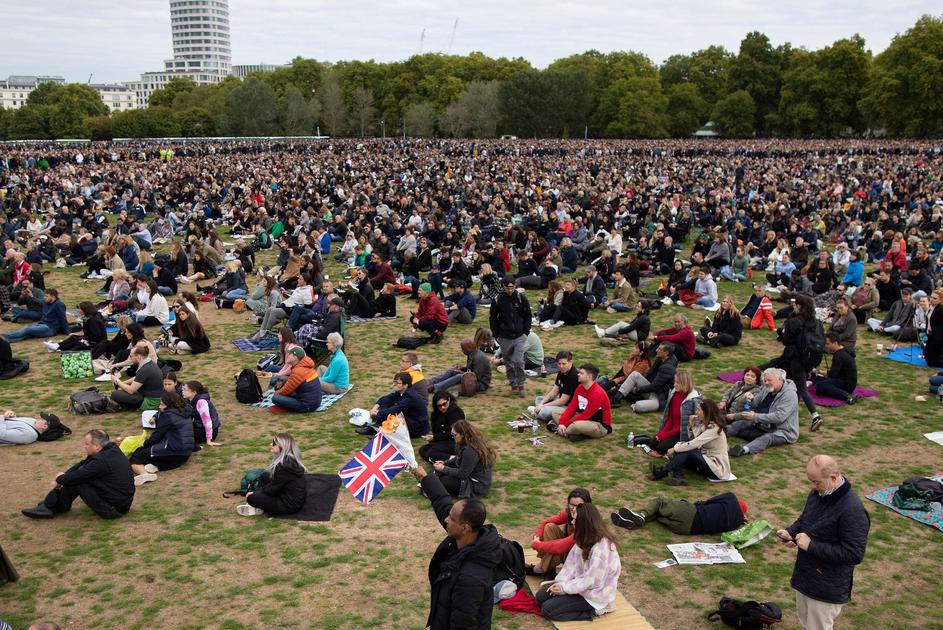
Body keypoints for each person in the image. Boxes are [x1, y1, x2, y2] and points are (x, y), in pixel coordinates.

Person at [777, 455, 870, 630]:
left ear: (833, 477)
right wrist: (791, 532)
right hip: (806, 575)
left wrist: (811, 545)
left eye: (816, 482)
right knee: (806, 621)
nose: (812, 487)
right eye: (811, 481)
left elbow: (853, 554)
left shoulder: (853, 510)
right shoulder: (818, 493)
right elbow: (805, 519)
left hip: (827, 586)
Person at [412, 466, 500, 630]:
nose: (446, 519)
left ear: (465, 527)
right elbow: (442, 502)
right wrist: (426, 478)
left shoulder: (470, 579)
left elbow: (463, 623)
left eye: (451, 518)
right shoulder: (465, 537)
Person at [21, 429, 134, 520]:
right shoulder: (110, 449)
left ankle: (54, 507)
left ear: (96, 446)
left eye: (87, 444)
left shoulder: (100, 461)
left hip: (114, 509)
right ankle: (52, 504)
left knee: (78, 482)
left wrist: (59, 479)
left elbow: (76, 477)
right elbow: (82, 464)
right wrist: (63, 476)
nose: (84, 446)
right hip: (120, 502)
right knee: (76, 477)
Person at [535, 503, 621, 621]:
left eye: (575, 519)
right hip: (579, 586)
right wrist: (560, 584)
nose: (572, 522)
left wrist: (564, 589)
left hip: (595, 594)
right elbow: (570, 566)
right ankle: (566, 597)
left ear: (583, 523)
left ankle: (598, 609)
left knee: (548, 610)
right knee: (540, 597)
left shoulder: (601, 549)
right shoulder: (583, 538)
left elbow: (591, 582)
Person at [651, 399, 730, 485]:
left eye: (699, 410)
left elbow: (694, 444)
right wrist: (691, 426)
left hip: (717, 469)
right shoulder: (705, 424)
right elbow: (692, 441)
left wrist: (674, 449)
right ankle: (678, 476)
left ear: (706, 412)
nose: (696, 412)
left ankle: (663, 471)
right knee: (683, 448)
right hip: (706, 459)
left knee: (686, 449)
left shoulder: (714, 428)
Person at [726, 368, 800, 456]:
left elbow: (779, 417)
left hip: (781, 430)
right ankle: (719, 434)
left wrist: (755, 416)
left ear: (780, 379)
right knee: (740, 424)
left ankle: (743, 450)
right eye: (765, 380)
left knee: (767, 438)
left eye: (769, 380)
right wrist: (749, 399)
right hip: (762, 424)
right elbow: (755, 404)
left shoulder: (789, 395)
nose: (767, 383)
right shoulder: (767, 388)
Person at [128, 392, 195, 486]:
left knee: (136, 456)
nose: (159, 407)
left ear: (169, 405)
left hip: (174, 451)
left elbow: (156, 436)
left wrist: (144, 444)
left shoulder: (168, 416)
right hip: (185, 454)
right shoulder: (185, 412)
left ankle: (144, 474)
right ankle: (157, 466)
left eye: (162, 404)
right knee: (150, 453)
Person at [238, 433, 308, 517]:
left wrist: (255, 493)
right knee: (264, 476)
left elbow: (273, 488)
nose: (271, 445)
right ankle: (261, 502)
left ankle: (257, 507)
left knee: (251, 498)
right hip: (291, 495)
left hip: (288, 505)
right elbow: (276, 483)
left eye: (274, 443)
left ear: (282, 446)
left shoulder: (283, 466)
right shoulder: (289, 459)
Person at [611, 492, 747, 535]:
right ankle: (633, 521)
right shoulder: (736, 523)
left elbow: (708, 502)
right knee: (659, 514)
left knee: (661, 502)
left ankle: (641, 514)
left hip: (692, 513)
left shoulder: (730, 498)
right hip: (685, 530)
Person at [529, 488, 592, 578]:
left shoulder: (586, 525)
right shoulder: (568, 514)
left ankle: (541, 569)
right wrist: (537, 537)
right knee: (549, 527)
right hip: (569, 552)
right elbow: (545, 522)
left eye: (579, 506)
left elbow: (560, 547)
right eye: (572, 505)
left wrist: (537, 544)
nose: (574, 509)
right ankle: (549, 569)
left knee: (555, 549)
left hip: (580, 561)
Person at [490, 277, 532, 397]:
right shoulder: (497, 300)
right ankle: (513, 383)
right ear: (503, 286)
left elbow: (528, 316)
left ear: (515, 286)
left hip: (519, 336)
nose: (510, 290)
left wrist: (526, 332)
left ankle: (521, 384)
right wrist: (496, 334)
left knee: (519, 361)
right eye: (507, 288)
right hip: (504, 336)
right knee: (508, 362)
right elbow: (493, 318)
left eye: (512, 287)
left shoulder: (521, 298)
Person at [432, 420, 495, 499]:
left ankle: (429, 487)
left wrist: (443, 468)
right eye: (452, 434)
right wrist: (445, 463)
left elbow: (462, 474)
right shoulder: (470, 443)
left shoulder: (470, 450)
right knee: (437, 470)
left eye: (454, 435)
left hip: (476, 485)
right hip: (473, 477)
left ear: (463, 435)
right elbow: (459, 458)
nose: (453, 437)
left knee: (442, 481)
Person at [642, 370, 700, 456]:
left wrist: (665, 435)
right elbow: (670, 418)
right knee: (652, 444)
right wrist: (662, 433)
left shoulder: (692, 401)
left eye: (677, 383)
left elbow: (683, 426)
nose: (674, 384)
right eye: (675, 382)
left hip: (682, 434)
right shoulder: (674, 394)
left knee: (660, 448)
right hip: (672, 430)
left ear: (684, 384)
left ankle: (666, 455)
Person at [357, 372, 429, 438]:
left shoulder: (410, 397)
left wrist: (378, 413)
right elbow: (385, 398)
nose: (394, 384)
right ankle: (377, 427)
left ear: (405, 385)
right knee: (387, 401)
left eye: (397, 383)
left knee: (393, 417)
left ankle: (381, 431)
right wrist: (375, 407)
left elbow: (394, 410)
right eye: (394, 381)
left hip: (417, 426)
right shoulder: (402, 391)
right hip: (408, 418)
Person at [612, 342, 678, 413]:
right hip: (653, 390)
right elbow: (649, 375)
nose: (656, 350)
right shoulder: (661, 358)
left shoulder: (667, 368)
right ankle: (616, 399)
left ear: (666, 353)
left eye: (659, 349)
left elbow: (654, 387)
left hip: (659, 397)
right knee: (635, 375)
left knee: (639, 406)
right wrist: (637, 385)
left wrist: (637, 390)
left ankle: (634, 398)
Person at [552, 364, 612, 442]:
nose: (578, 374)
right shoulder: (580, 387)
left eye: (581, 373)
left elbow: (586, 415)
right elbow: (572, 407)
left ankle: (562, 430)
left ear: (589, 377)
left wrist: (565, 424)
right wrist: (562, 423)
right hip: (581, 417)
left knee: (575, 426)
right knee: (554, 413)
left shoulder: (597, 393)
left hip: (598, 424)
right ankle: (569, 432)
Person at [2, 288, 69, 343]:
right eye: (44, 296)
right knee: (28, 333)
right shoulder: (46, 303)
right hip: (42, 324)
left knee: (27, 329)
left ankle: (4, 336)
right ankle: (7, 340)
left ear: (53, 296)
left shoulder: (59, 304)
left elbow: (63, 318)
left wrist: (67, 332)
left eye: (46, 296)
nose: (44, 297)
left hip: (50, 328)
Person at [427, 338, 491, 394]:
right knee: (452, 370)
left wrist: (463, 373)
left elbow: (476, 377)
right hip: (472, 378)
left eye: (463, 349)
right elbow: (470, 369)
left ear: (469, 348)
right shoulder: (472, 353)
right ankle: (431, 381)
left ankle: (435, 388)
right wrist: (462, 368)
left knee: (460, 376)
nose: (462, 351)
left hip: (480, 384)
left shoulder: (478, 358)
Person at [110, 346, 165, 411]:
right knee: (121, 390)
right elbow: (137, 378)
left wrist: (117, 381)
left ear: (138, 357)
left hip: (149, 402)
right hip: (154, 398)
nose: (130, 359)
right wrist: (123, 383)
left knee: (115, 394)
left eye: (131, 356)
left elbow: (131, 390)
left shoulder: (145, 369)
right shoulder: (150, 363)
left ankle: (128, 406)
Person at [530, 351, 578, 423]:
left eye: (564, 364)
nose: (561, 366)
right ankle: (540, 411)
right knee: (539, 399)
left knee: (545, 412)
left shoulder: (573, 376)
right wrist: (541, 403)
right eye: (559, 364)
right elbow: (554, 391)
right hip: (561, 403)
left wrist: (543, 406)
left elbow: (563, 400)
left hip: (568, 407)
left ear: (570, 362)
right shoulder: (561, 372)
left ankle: (538, 413)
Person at [272, 347, 323, 413]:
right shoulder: (303, 366)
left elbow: (286, 390)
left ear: (295, 357)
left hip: (307, 405)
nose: (287, 356)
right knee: (281, 380)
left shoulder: (298, 371)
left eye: (289, 354)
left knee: (275, 398)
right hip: (314, 401)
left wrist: (276, 393)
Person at [812, 334, 858, 404]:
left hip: (846, 384)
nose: (826, 346)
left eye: (828, 344)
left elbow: (832, 375)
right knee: (816, 379)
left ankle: (848, 396)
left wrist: (816, 370)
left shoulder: (839, 356)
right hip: (846, 380)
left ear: (835, 343)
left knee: (819, 386)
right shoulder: (844, 350)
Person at [420, 391, 465, 464]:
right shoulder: (437, 414)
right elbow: (436, 430)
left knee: (432, 452)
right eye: (439, 406)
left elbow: (452, 433)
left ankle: (455, 460)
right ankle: (443, 460)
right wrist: (434, 438)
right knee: (423, 450)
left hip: (455, 441)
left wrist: (435, 437)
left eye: (444, 404)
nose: (442, 407)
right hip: (444, 440)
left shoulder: (455, 412)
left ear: (449, 400)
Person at [182, 381, 221, 448]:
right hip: (200, 426)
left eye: (185, 390)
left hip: (209, 432)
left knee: (182, 432)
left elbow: (207, 422)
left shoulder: (201, 402)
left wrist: (208, 440)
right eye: (183, 389)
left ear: (194, 392)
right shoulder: (191, 400)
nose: (183, 392)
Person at [925, 289, 943, 368]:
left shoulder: (941, 309)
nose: (931, 299)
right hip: (931, 335)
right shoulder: (931, 307)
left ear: (940, 300)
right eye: (931, 297)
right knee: (927, 356)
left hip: (938, 337)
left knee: (932, 362)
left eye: (935, 298)